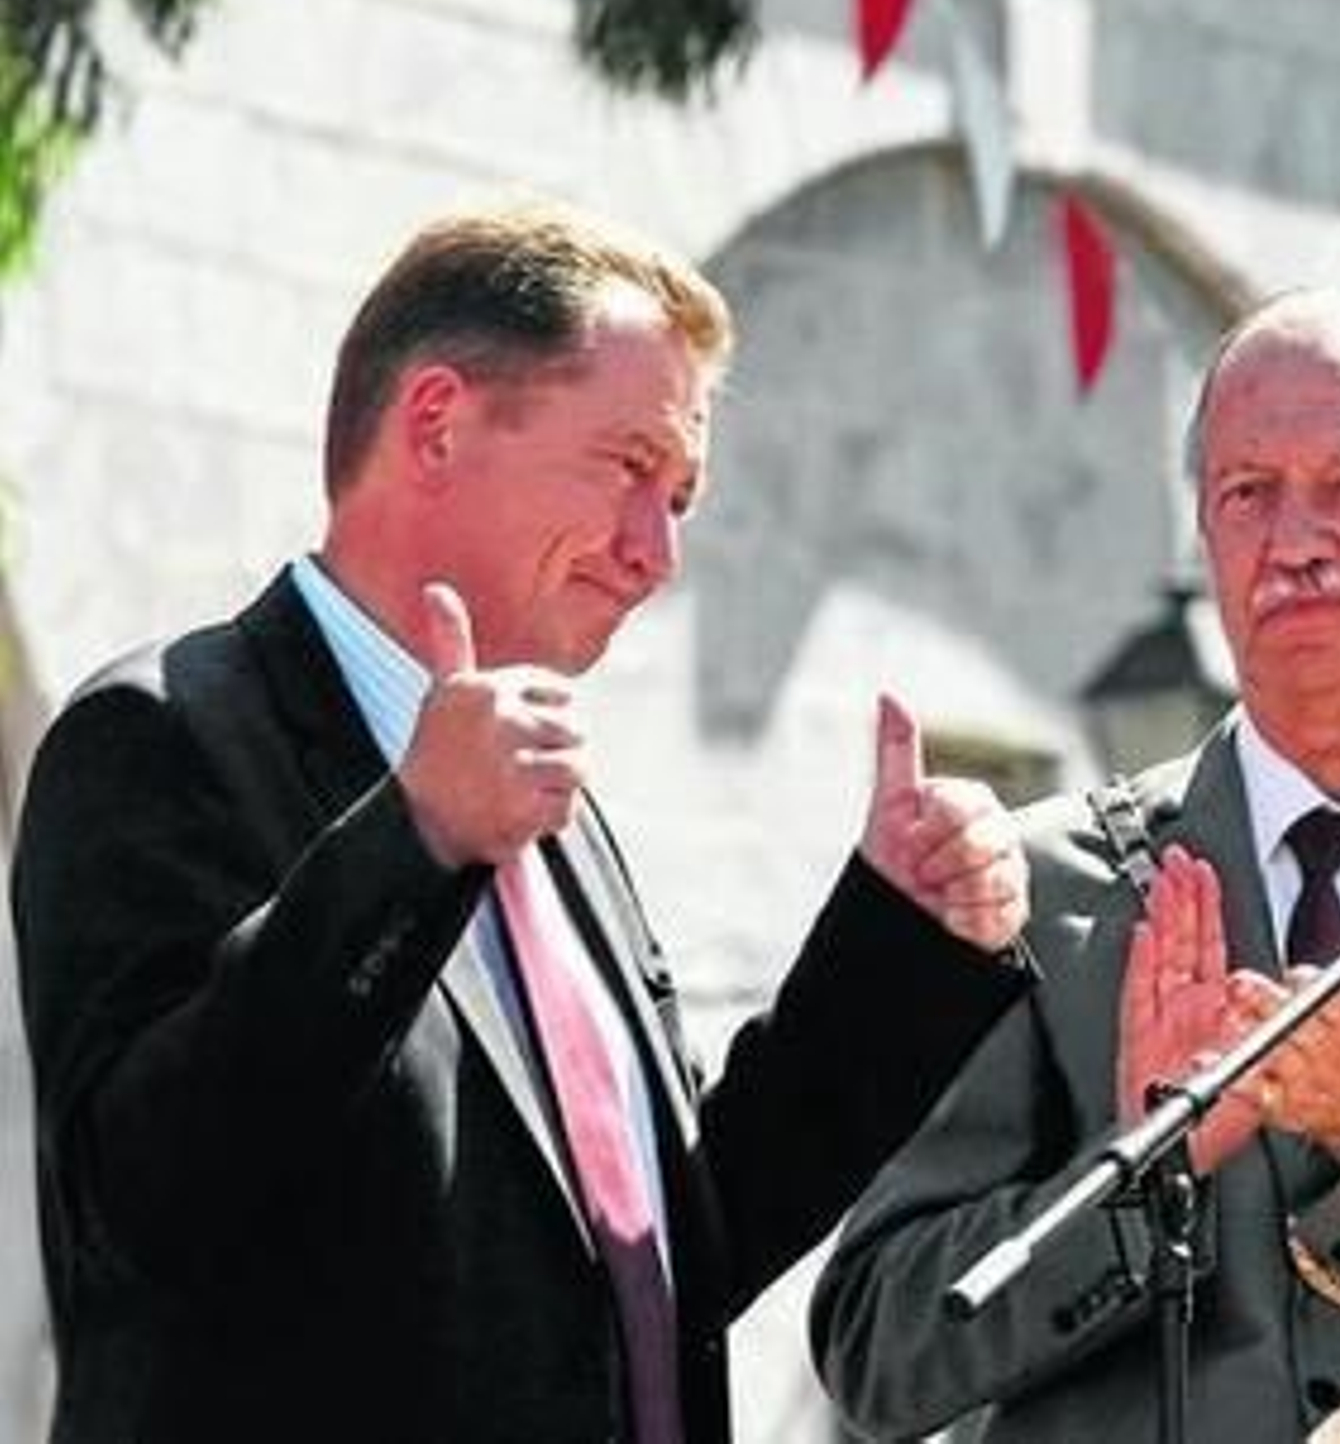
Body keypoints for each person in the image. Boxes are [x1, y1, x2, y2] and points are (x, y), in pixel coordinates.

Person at [9, 200, 1034, 1444]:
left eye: (685, 499)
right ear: (437, 421)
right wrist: (416, 840)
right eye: (628, 469)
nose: (657, 551)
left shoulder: (559, 819)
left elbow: (664, 1258)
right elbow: (145, 1203)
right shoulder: (165, 734)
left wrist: (898, 942)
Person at [812, 288, 1340, 1443]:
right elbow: (877, 1349)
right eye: (1246, 495)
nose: (1292, 544)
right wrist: (1142, 1175)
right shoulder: (1043, 891)